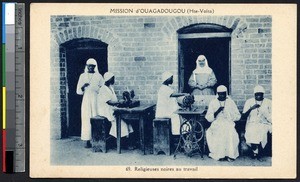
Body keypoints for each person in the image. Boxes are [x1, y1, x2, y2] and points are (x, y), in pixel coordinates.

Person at [205, 85, 241, 162]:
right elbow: (208, 118)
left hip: (228, 122)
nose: (222, 95)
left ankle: (230, 155)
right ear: (217, 93)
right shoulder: (213, 102)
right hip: (217, 122)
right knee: (219, 132)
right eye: (220, 94)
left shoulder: (230, 102)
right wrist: (217, 111)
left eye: (223, 93)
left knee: (230, 132)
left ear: (226, 93)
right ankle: (220, 155)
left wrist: (230, 115)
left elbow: (238, 116)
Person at [76, 58, 104, 148]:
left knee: (96, 118)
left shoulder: (99, 76)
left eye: (93, 66)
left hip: (96, 100)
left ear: (95, 67)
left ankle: (97, 140)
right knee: (86, 119)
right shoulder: (82, 76)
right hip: (86, 100)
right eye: (89, 66)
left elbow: (103, 89)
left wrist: (97, 89)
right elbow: (78, 91)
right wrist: (83, 86)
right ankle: (87, 140)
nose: (91, 67)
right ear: (86, 66)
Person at [97, 72, 133, 140]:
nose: (114, 80)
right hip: (105, 109)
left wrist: (121, 102)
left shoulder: (110, 87)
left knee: (127, 121)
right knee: (122, 122)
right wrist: (119, 102)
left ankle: (125, 140)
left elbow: (114, 100)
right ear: (108, 79)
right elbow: (109, 102)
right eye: (112, 78)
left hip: (111, 108)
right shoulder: (103, 89)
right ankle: (121, 141)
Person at [242, 85, 272, 161]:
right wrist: (251, 108)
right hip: (252, 123)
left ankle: (259, 152)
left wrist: (265, 113)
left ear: (263, 94)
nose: (258, 96)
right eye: (257, 94)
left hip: (264, 123)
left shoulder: (268, 102)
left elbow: (272, 117)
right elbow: (244, 116)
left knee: (262, 132)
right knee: (251, 131)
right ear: (254, 94)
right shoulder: (249, 102)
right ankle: (255, 151)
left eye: (260, 94)